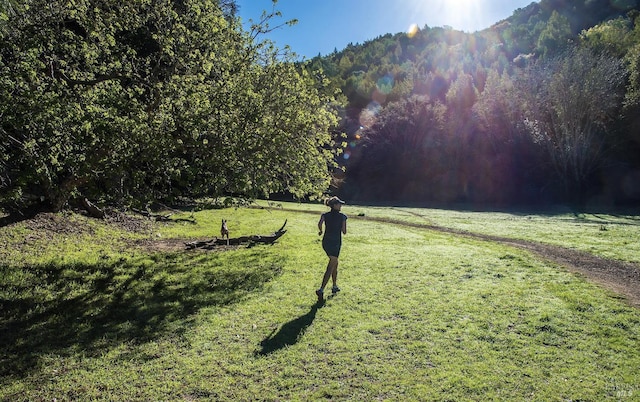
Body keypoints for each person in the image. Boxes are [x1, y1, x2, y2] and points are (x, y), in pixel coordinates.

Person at [316, 196, 347, 303]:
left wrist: (321, 231)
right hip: (335, 243)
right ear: (334, 205)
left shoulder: (325, 215)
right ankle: (321, 289)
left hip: (326, 242)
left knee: (335, 263)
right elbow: (344, 231)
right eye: (339, 204)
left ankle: (334, 286)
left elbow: (319, 224)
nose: (341, 206)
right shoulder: (342, 216)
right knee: (331, 266)